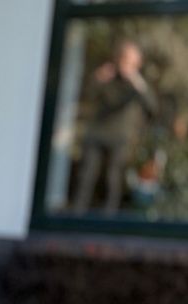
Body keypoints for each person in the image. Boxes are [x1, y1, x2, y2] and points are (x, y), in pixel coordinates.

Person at [71, 41, 157, 215]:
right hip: (97, 133)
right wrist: (98, 79)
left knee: (113, 178)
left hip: (120, 137)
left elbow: (153, 108)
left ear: (138, 64)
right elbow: (87, 95)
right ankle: (77, 215)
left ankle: (108, 218)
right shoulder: (108, 76)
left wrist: (138, 82)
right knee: (86, 176)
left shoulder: (138, 84)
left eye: (132, 61)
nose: (127, 65)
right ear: (119, 59)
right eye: (125, 59)